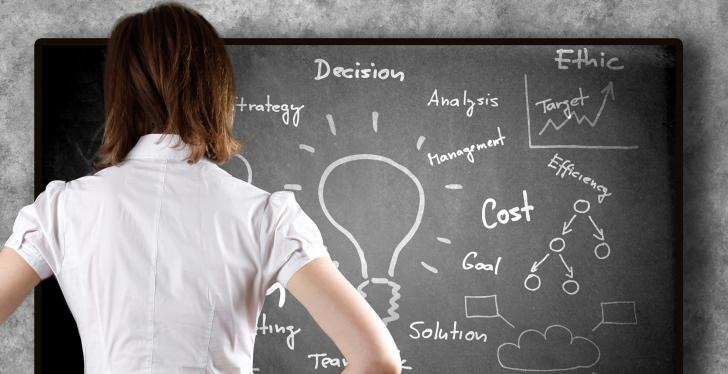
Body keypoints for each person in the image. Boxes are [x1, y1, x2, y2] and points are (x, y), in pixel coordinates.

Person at [0, 2, 402, 373]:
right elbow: (377, 359)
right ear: (216, 88)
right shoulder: (265, 216)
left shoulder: (61, 209)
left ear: (120, 91)